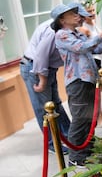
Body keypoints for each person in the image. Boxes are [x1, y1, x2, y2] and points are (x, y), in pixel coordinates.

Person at [53, 2, 102, 166]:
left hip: (89, 80)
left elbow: (97, 49)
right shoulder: (62, 35)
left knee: (91, 117)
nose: (77, 15)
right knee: (80, 119)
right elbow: (81, 48)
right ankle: (76, 157)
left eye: (76, 12)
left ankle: (87, 150)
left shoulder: (77, 34)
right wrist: (100, 35)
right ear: (62, 19)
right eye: (71, 13)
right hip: (77, 82)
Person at [20, 16, 72, 153]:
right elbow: (40, 57)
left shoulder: (66, 28)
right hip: (35, 69)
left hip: (47, 68)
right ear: (64, 18)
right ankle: (53, 144)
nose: (80, 19)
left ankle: (70, 138)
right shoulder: (52, 30)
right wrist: (42, 81)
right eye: (76, 15)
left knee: (56, 104)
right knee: (44, 110)